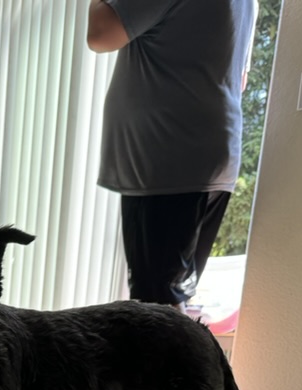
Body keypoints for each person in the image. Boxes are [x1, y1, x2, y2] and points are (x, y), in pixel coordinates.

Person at [87, 0, 257, 310]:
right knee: (170, 295)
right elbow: (240, 79)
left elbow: (100, 32)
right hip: (209, 155)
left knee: (157, 307)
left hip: (168, 156)